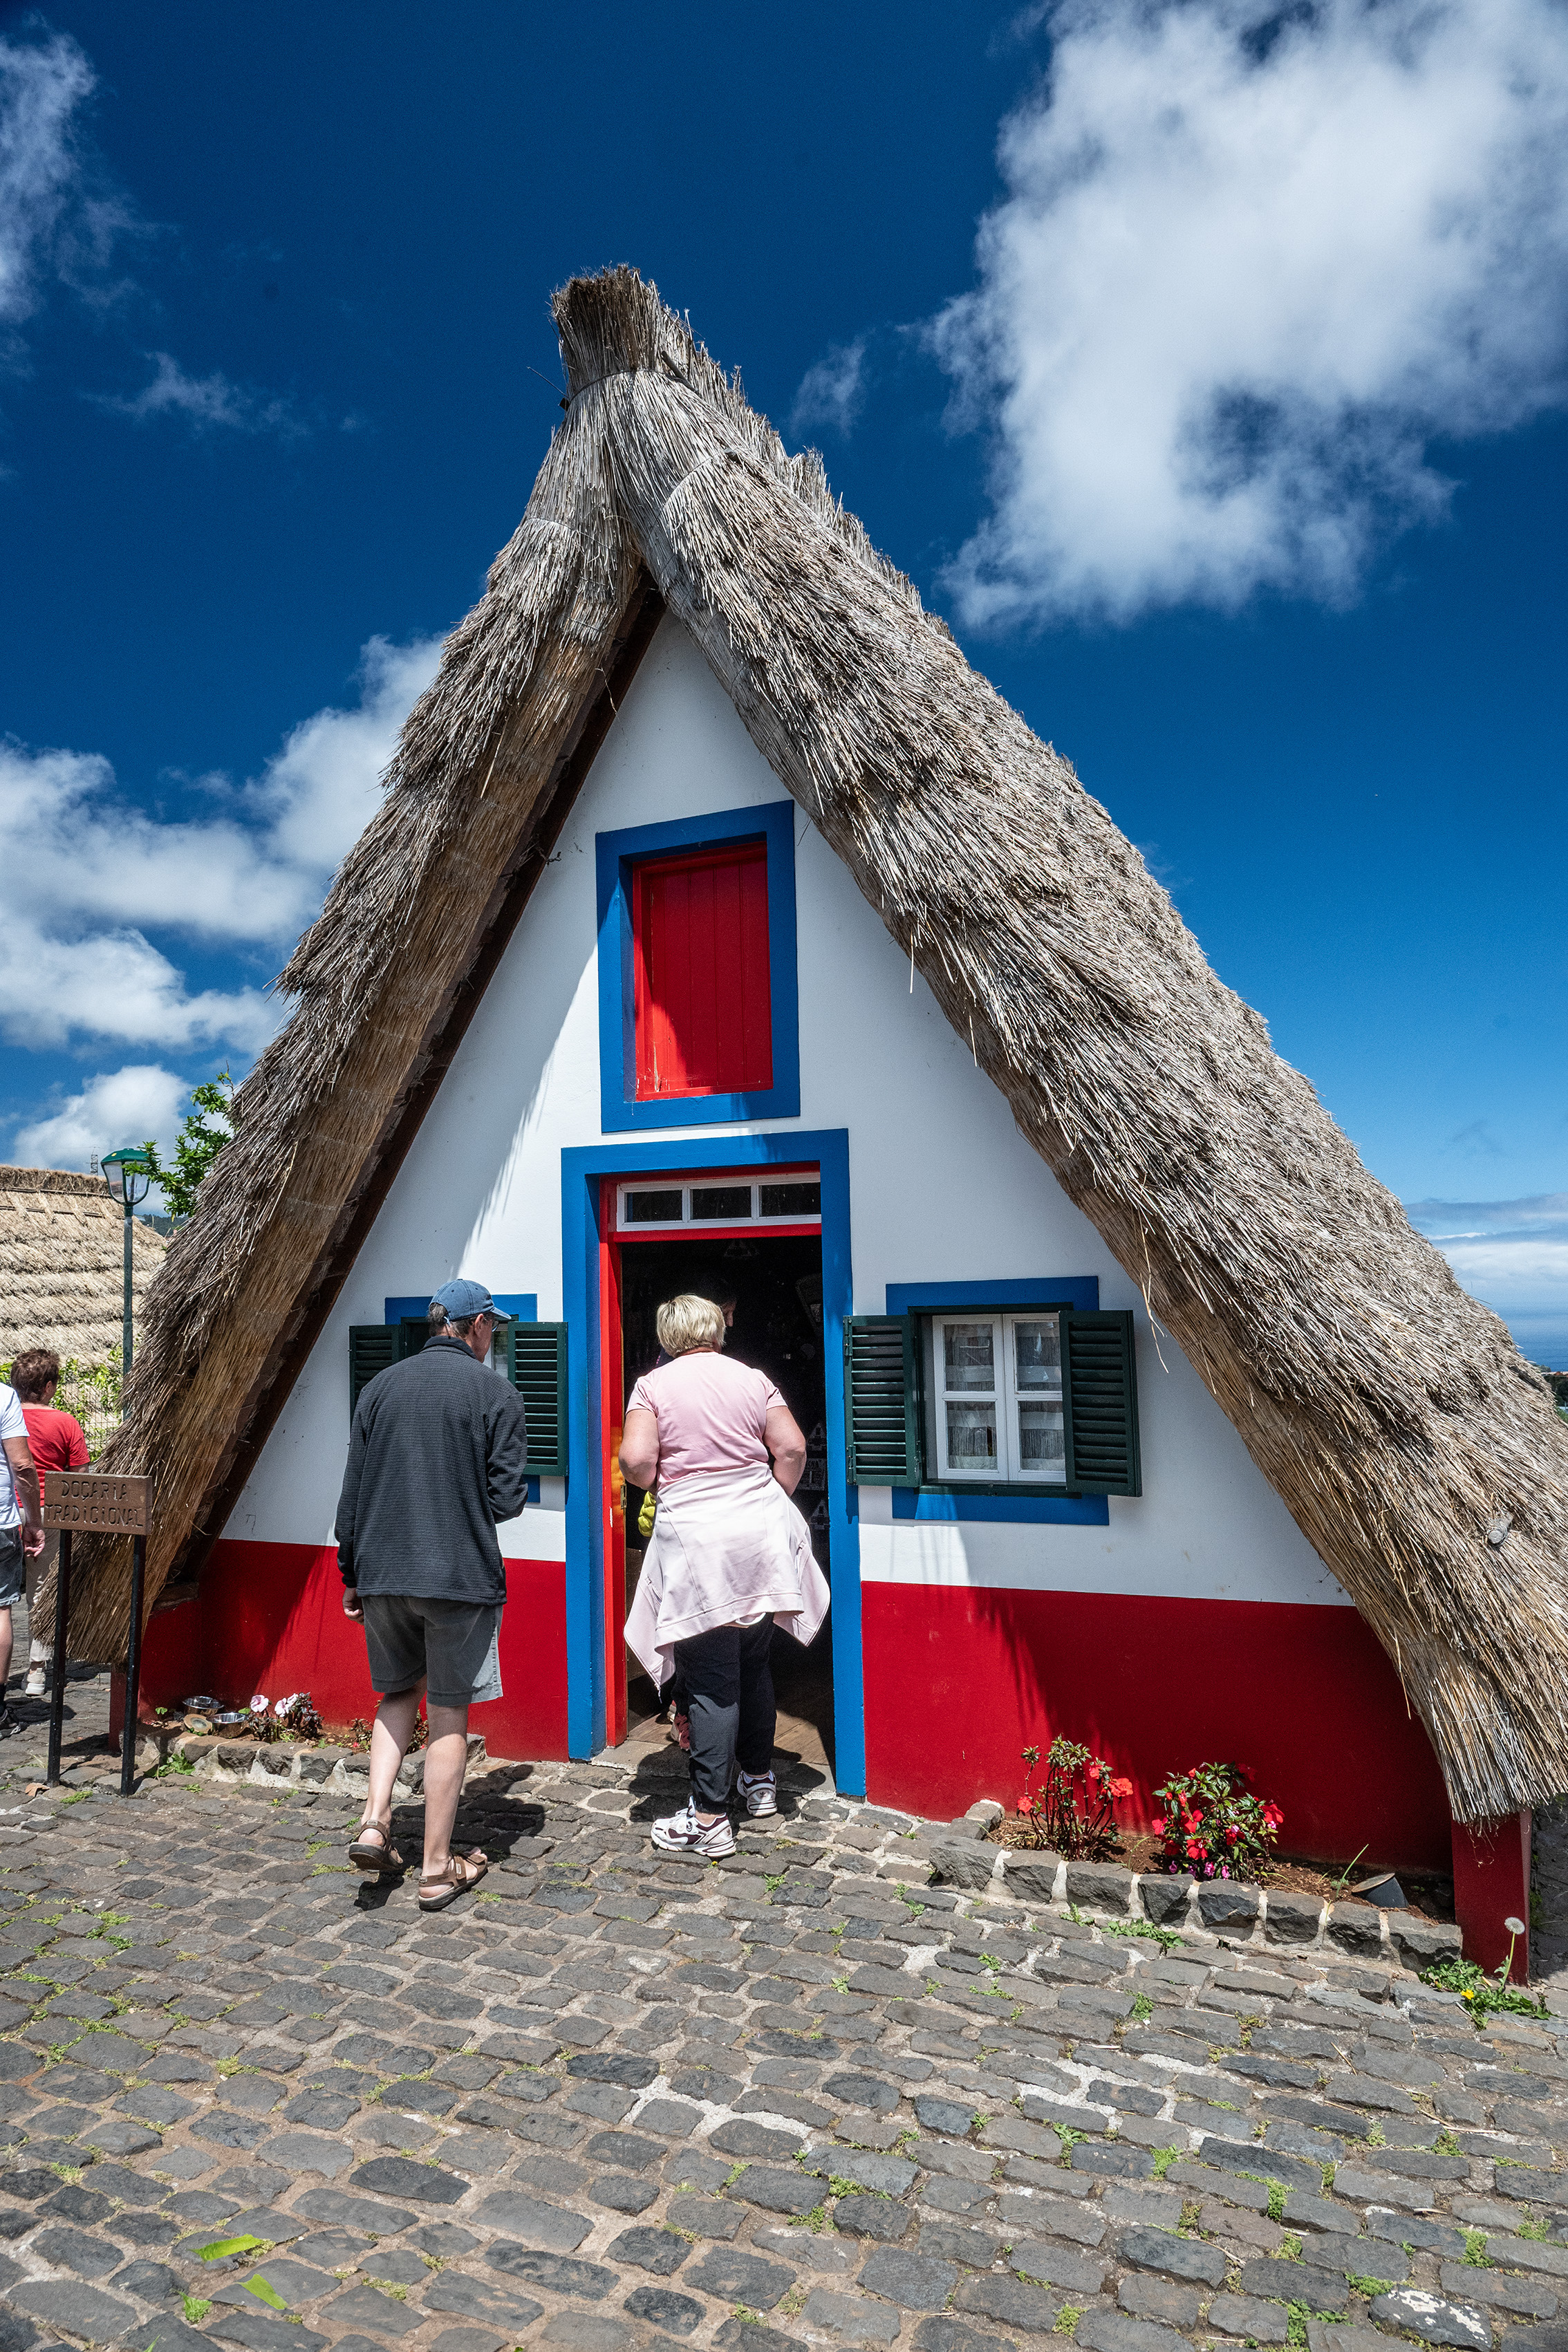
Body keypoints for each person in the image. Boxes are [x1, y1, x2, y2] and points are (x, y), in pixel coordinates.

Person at [334, 1278, 528, 1910]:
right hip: (458, 1576)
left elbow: (354, 1491)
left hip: (383, 1572)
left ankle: (373, 1821)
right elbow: (505, 1499)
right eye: (491, 1327)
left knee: (396, 1694)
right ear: (473, 1326)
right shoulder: (496, 1393)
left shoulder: (379, 1389)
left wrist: (351, 1573)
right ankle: (437, 1868)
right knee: (449, 1714)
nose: (491, 1337)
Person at [621, 1293, 826, 1857]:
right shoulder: (753, 1378)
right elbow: (791, 1448)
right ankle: (759, 1784)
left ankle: (709, 1817)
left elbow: (637, 1462)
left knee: (710, 1675)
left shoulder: (652, 1386)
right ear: (717, 1330)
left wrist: (668, 1481)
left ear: (667, 1336)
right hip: (759, 1535)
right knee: (754, 1661)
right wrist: (768, 1497)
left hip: (699, 1539)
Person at [9, 1351, 89, 1696]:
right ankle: (37, 1673)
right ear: (48, 1386)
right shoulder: (66, 1423)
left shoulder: (5, 1417)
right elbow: (80, 1476)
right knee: (41, 1592)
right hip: (46, 1514)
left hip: (4, 1510)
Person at [0, 1372, 44, 1741]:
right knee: (0, 1610)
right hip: (0, 1522)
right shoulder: (3, 1397)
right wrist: (33, 1520)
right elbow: (22, 1466)